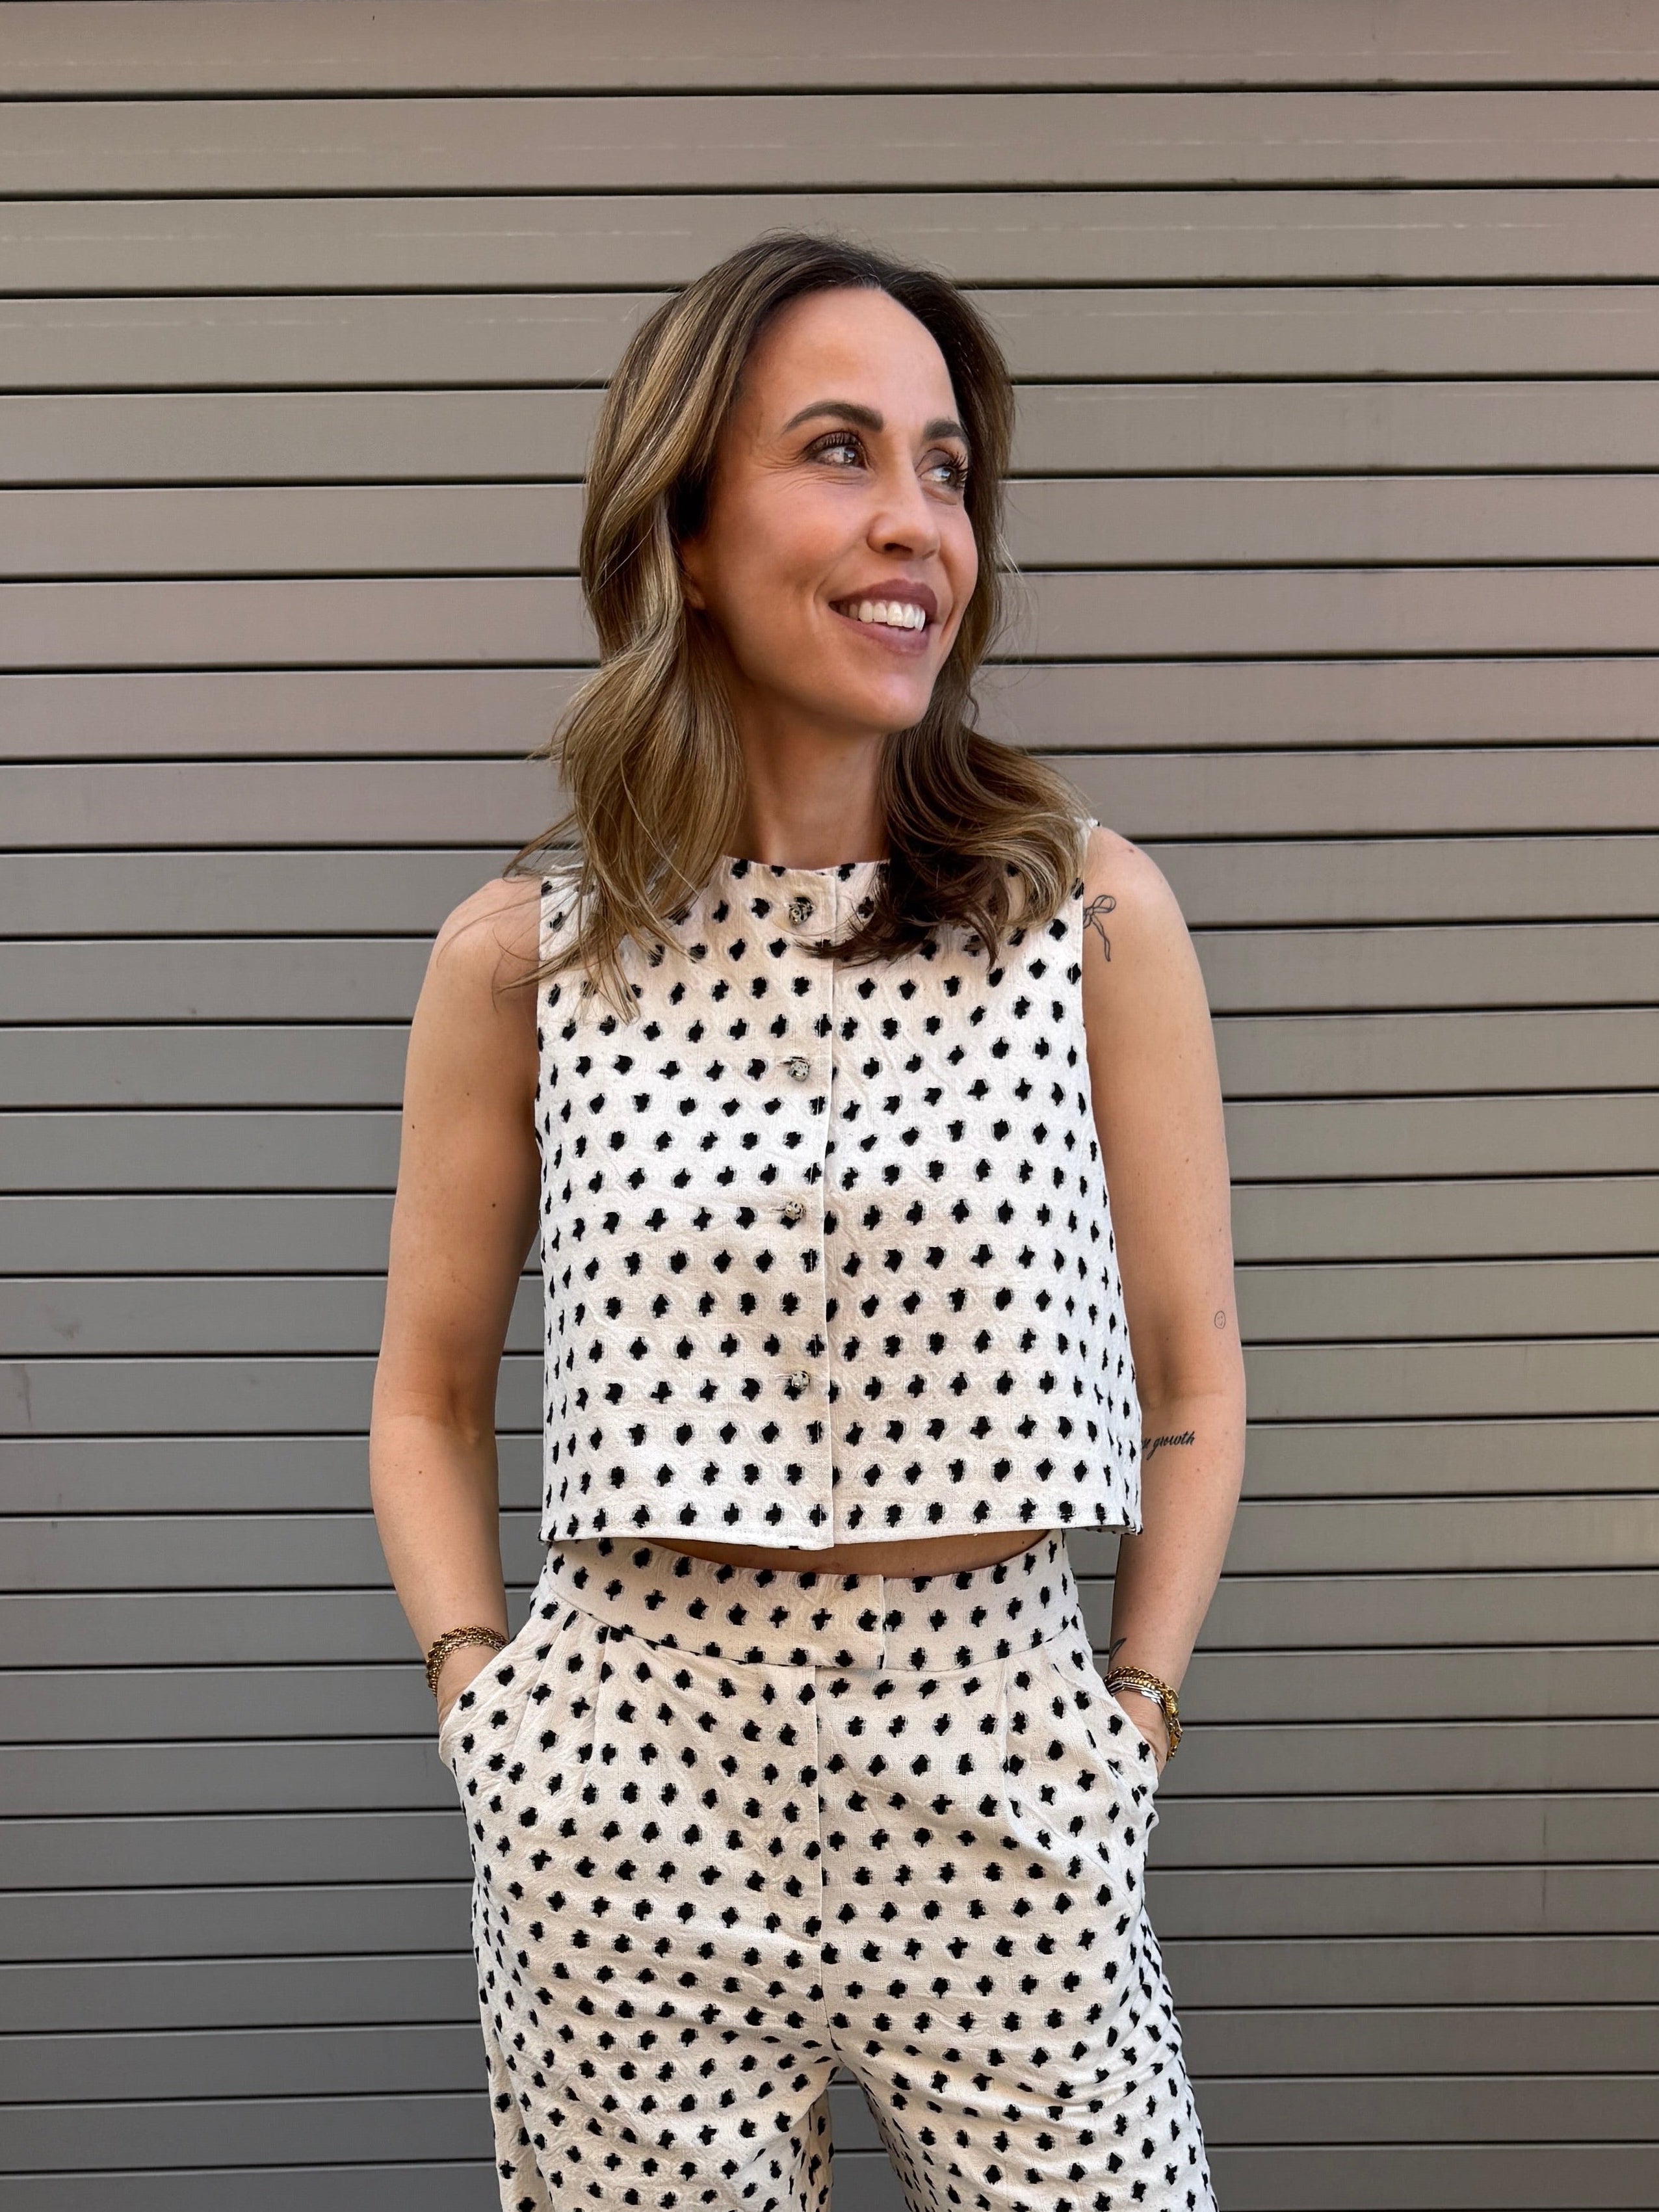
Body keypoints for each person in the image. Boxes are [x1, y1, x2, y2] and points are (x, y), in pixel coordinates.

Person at [370, 230, 1244, 2212]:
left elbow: (1195, 1375)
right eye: (841, 450)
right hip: (630, 1782)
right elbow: (424, 1393)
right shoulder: (525, 957)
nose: (916, 521)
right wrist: (487, 1711)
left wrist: (1133, 1717)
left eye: (947, 468)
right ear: (686, 531)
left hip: (1002, 1756)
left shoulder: (1091, 918)